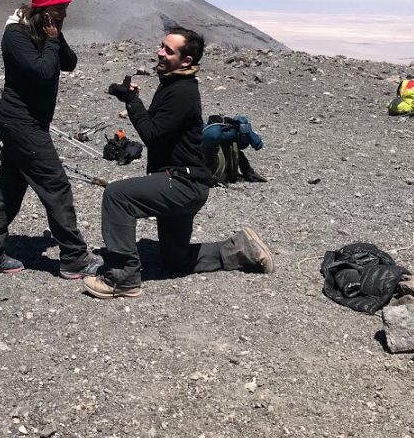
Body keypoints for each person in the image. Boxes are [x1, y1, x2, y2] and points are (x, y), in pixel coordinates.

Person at [83, 27, 274, 299]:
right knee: (175, 261)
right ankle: (242, 248)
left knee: (117, 196)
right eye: (161, 46)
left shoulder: (182, 92)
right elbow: (158, 128)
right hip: (183, 181)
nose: (160, 52)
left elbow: (152, 136)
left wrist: (132, 101)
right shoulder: (172, 83)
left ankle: (123, 277)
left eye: (168, 50)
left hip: (183, 183)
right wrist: (130, 99)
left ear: (186, 61)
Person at [0, 0, 101, 279]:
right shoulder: (15, 36)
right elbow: (44, 72)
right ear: (45, 11)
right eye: (60, 11)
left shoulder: (44, 30)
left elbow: (69, 63)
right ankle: (74, 258)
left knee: (10, 186)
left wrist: (57, 35)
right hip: (21, 124)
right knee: (56, 185)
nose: (64, 16)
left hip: (29, 124)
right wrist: (53, 39)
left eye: (66, 11)